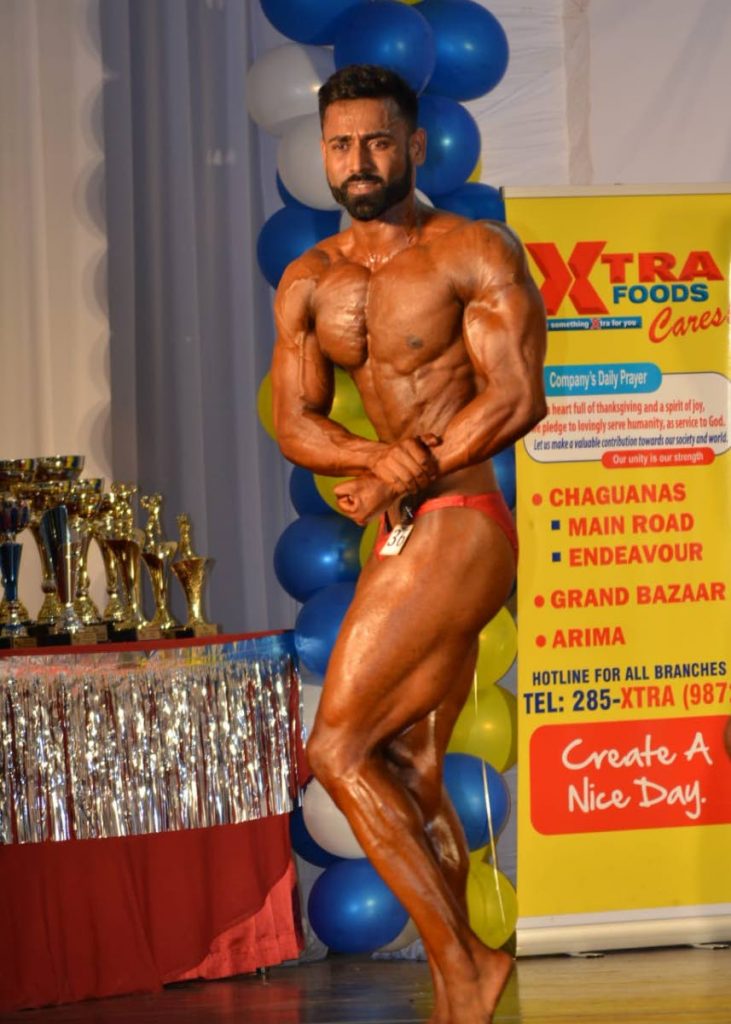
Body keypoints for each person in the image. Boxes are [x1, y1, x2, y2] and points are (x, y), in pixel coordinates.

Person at [271, 64, 547, 1024]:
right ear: (323, 153)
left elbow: (516, 397)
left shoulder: (470, 250)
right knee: (409, 767)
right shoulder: (311, 281)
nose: (359, 161)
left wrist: (406, 467)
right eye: (341, 145)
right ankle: (457, 993)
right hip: (405, 527)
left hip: (461, 521)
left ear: (416, 145)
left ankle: (466, 964)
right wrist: (364, 457)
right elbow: (294, 418)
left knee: (337, 745)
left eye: (378, 141)